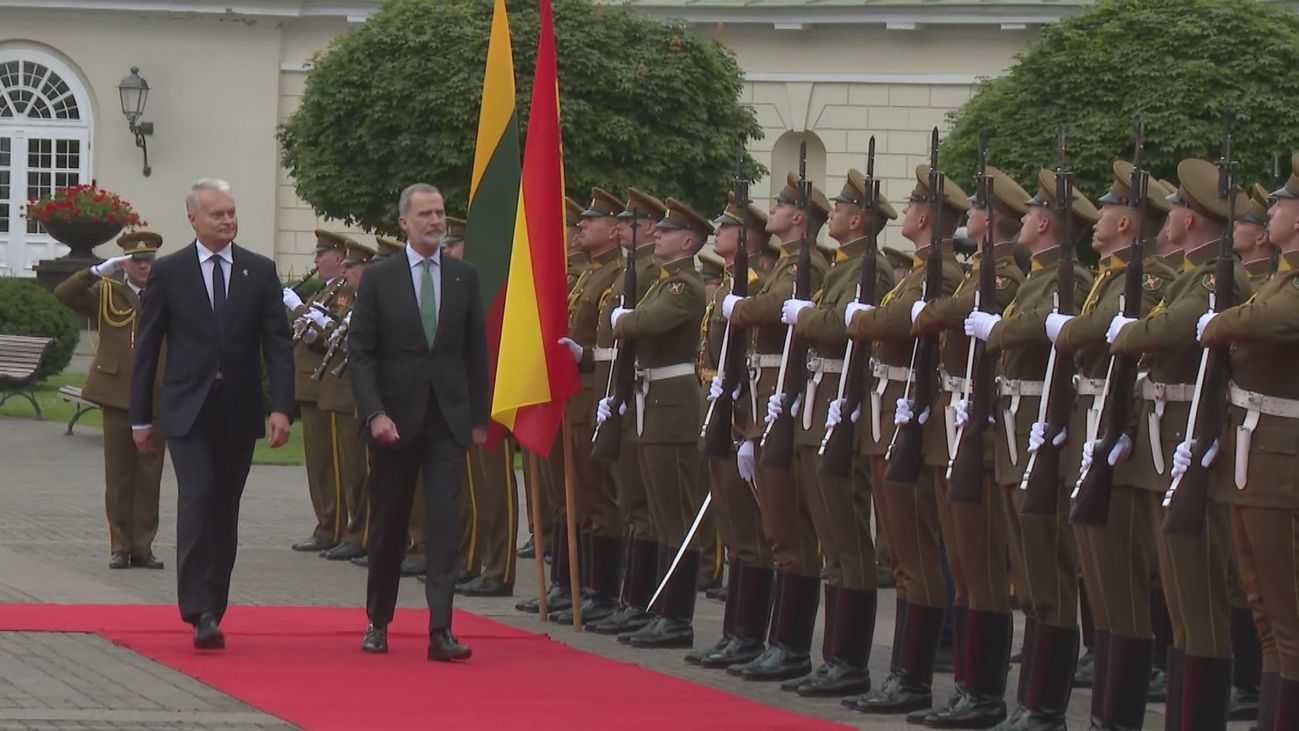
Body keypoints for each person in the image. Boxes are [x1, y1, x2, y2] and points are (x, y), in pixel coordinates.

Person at [1109, 158, 1251, 728]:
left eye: (1175, 209)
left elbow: (1176, 328)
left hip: (1191, 441)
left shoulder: (1217, 278)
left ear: (1190, 220)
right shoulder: (1189, 276)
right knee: (1180, 599)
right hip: (1165, 439)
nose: (1166, 218)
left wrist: (1131, 333)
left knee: (1199, 599)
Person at [129, 178, 294, 650]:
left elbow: (278, 346)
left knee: (224, 509)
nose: (227, 220)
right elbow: (147, 348)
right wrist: (141, 418)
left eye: (231, 212)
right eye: (217, 214)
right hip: (187, 410)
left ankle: (214, 608)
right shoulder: (170, 272)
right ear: (193, 219)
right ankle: (197, 608)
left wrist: (282, 408)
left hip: (238, 409)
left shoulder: (259, 271)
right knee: (197, 499)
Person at [1050, 159, 1176, 729]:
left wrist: (1061, 329)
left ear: (1127, 222)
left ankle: (1118, 717)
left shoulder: (1145, 279)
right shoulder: (1109, 276)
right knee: (1100, 587)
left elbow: (1093, 331)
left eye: (1106, 208)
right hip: (1092, 417)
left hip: (1118, 427)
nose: (1096, 216)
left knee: (1120, 589)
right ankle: (1105, 715)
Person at [841, 164, 968, 714]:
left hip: (910, 417)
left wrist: (863, 318)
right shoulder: (919, 273)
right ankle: (902, 674)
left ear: (926, 216)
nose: (907, 210)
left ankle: (913, 677)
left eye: (915, 203)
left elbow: (893, 325)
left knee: (915, 555)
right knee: (902, 556)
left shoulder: (941, 273)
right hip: (889, 412)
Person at [905, 165, 1027, 727]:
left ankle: (984, 693)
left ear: (990, 219)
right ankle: (967, 688)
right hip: (954, 421)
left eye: (977, 208)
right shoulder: (976, 272)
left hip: (981, 430)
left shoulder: (1004, 275)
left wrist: (928, 312)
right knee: (964, 564)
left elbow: (945, 315)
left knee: (981, 570)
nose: (969, 215)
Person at [348, 182, 488, 662]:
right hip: (394, 422)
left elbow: (475, 352)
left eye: (440, 213)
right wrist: (374, 413)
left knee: (445, 524)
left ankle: (441, 629)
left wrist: (478, 417)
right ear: (404, 222)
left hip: (446, 420)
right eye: (425, 214)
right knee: (389, 524)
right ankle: (378, 620)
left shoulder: (463, 277)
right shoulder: (379, 278)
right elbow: (361, 353)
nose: (435, 221)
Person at [782, 167, 898, 697]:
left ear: (859, 220)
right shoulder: (843, 268)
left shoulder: (869, 269)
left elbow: (840, 328)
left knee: (847, 541)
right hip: (822, 401)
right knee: (832, 540)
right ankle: (833, 656)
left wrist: (805, 316)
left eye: (842, 208)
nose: (832, 213)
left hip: (843, 406)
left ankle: (848, 660)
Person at [721, 172, 830, 682]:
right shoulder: (787, 264)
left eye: (783, 204)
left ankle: (790, 646)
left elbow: (770, 310)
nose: (774, 211)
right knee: (778, 532)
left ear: (800, 216)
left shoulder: (808, 265)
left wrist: (740, 307)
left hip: (789, 409)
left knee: (792, 535)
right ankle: (774, 641)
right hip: (768, 407)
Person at [55, 230, 167, 570]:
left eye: (148, 260)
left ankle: (143, 545)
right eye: (136, 260)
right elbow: (64, 294)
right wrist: (95, 272)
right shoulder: (107, 292)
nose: (143, 266)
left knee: (149, 475)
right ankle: (120, 545)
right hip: (117, 393)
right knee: (118, 474)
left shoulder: (167, 294)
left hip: (156, 392)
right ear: (124, 264)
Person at [283, 230, 352, 554]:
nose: (316, 261)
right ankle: (326, 524)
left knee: (331, 464)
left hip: (326, 387)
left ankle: (333, 527)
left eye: (320, 255)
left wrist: (299, 310)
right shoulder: (326, 292)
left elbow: (332, 335)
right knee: (318, 464)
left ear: (337, 258)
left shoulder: (343, 293)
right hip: (311, 387)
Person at [317, 240, 375, 563]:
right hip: (340, 393)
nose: (347, 271)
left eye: (352, 266)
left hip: (356, 395)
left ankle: (362, 534)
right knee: (349, 472)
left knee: (359, 471)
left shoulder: (369, 298)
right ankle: (355, 532)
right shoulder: (349, 296)